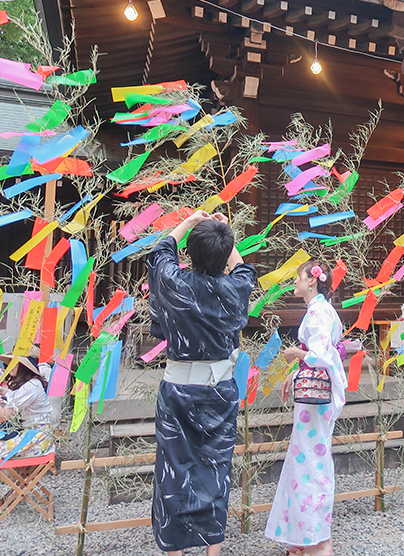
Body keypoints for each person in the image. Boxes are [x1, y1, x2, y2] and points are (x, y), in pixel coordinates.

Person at [147, 210, 256, 556]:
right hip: (219, 391)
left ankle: (175, 550)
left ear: (190, 253)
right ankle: (213, 551)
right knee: (216, 468)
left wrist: (192, 222)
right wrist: (225, 235)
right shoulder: (236, 288)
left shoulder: (173, 282)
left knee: (173, 469)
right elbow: (244, 270)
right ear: (224, 256)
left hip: (177, 390)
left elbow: (160, 252)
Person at [265, 260, 347, 556]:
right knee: (306, 461)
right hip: (315, 395)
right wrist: (295, 370)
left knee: (311, 464)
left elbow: (321, 354)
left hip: (315, 399)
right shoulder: (321, 311)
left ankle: (318, 540)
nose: (295, 283)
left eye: (298, 278)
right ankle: (305, 536)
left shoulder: (318, 313)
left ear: (311, 281)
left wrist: (297, 353)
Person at [0, 354, 54, 510]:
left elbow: (4, 417)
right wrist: (4, 393)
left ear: (24, 367)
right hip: (32, 434)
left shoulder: (31, 386)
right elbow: (14, 403)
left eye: (13, 364)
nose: (9, 367)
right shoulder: (30, 385)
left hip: (37, 439)